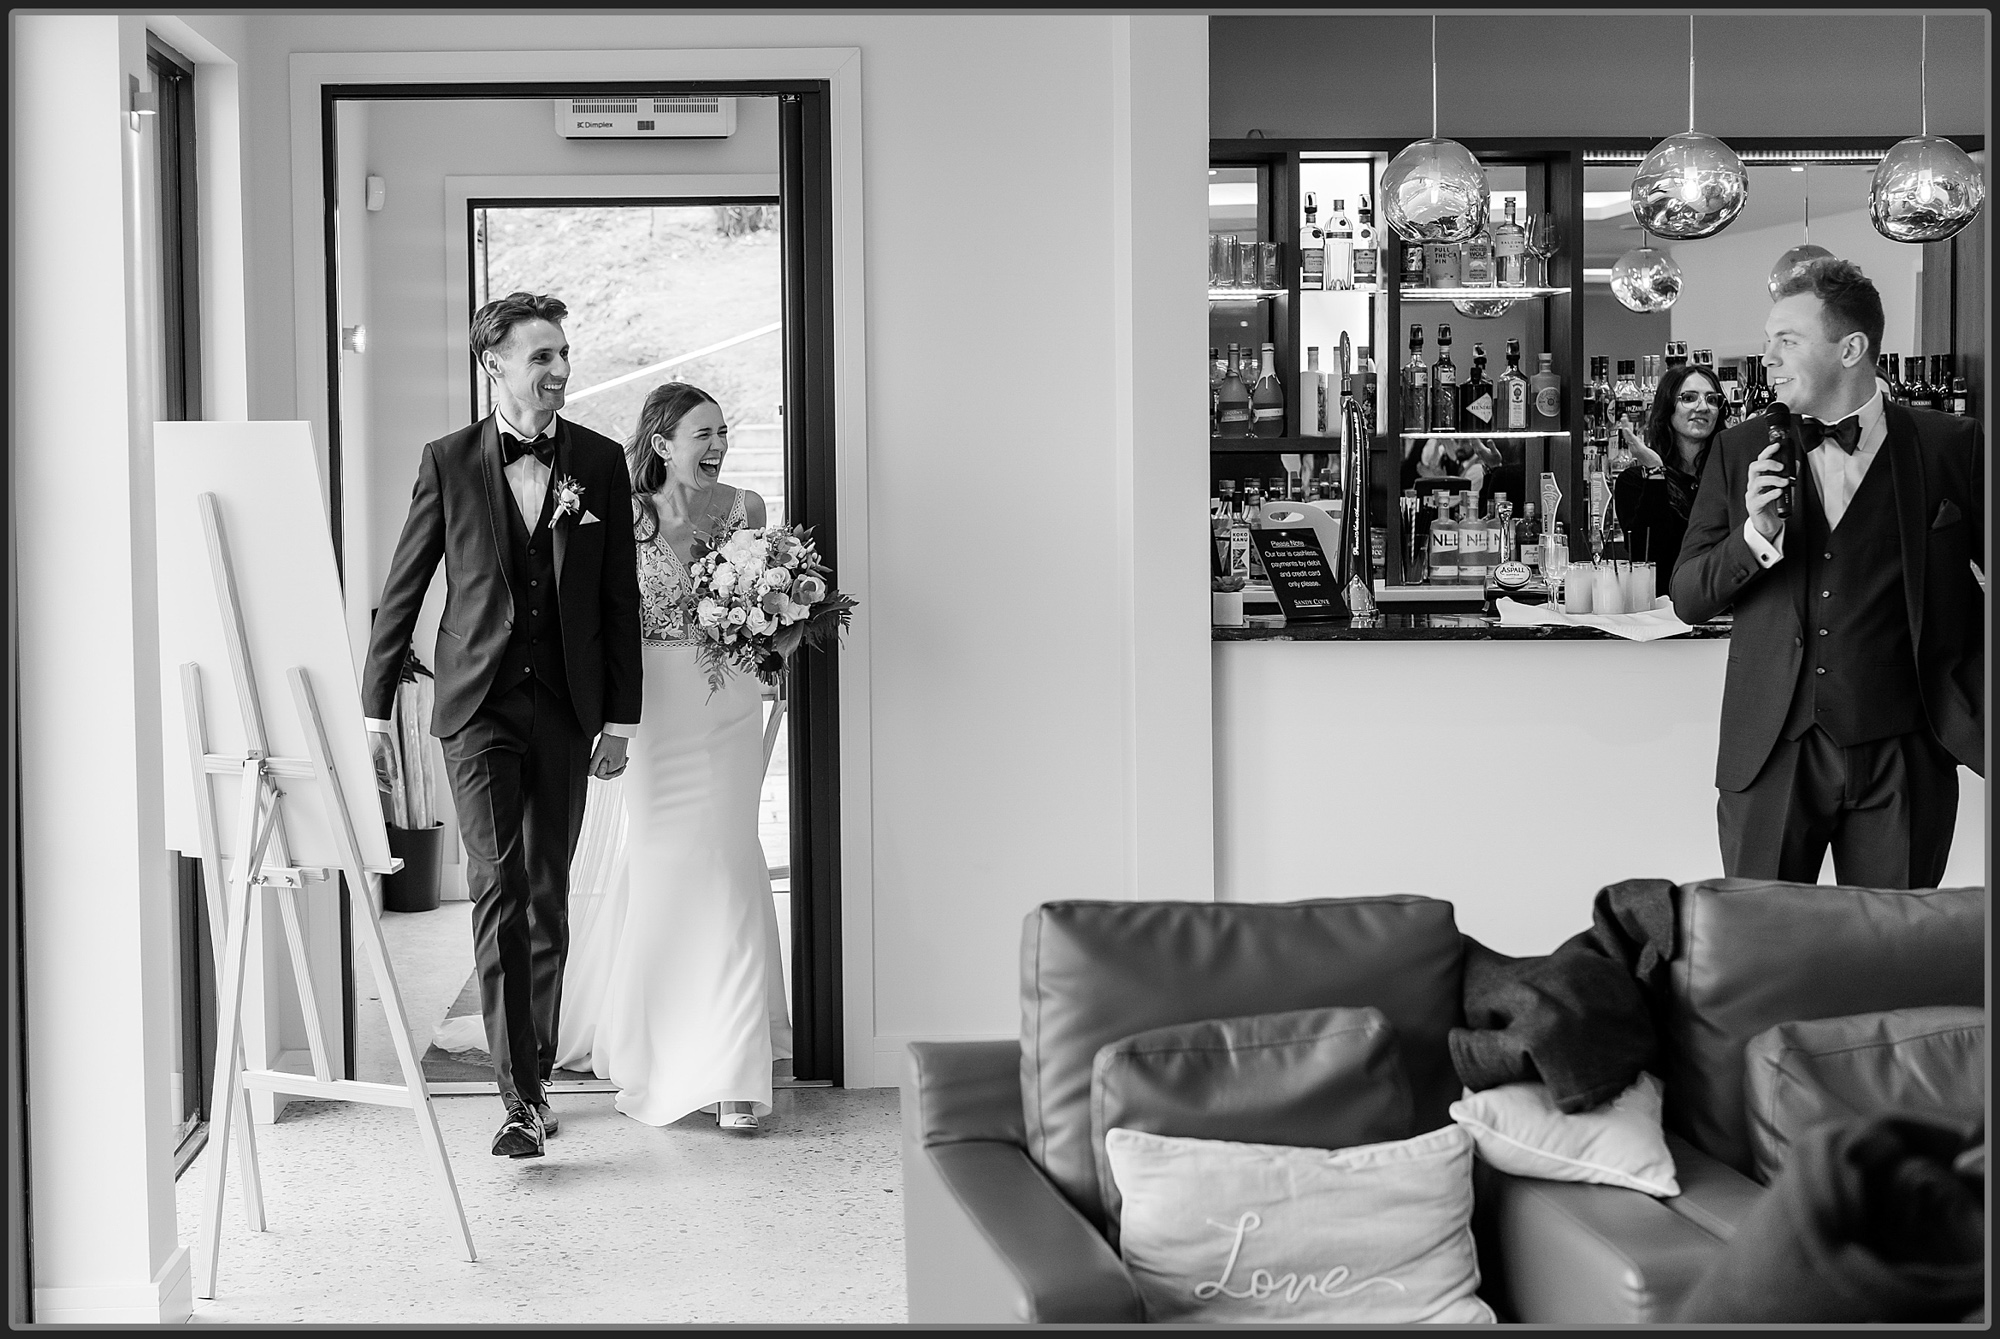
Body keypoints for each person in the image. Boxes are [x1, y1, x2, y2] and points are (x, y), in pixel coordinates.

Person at [362, 292, 642, 1160]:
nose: (558, 370)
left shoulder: (597, 462)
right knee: (497, 885)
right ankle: (517, 1099)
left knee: (548, 888)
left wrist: (621, 715)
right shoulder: (447, 461)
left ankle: (542, 1066)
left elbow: (616, 597)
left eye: (563, 353)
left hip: (566, 707)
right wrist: (374, 704)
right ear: (495, 364)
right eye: (540, 356)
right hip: (476, 705)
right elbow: (406, 583)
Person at [1671, 258, 1984, 887]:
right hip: (1774, 749)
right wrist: (1755, 535)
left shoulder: (1953, 444)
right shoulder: (1738, 450)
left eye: (1787, 341)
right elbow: (1688, 597)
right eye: (1768, 343)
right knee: (1764, 952)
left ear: (1852, 348)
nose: (1770, 358)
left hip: (1906, 748)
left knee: (1891, 958)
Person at [556, 382, 794, 1131]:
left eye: (723, 430)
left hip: (727, 706)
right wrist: (604, 718)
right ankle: (656, 1046)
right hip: (653, 711)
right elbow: (591, 612)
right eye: (704, 432)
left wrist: (778, 632)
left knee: (728, 864)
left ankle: (732, 1072)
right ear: (662, 443)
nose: (719, 444)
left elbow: (780, 606)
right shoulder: (626, 515)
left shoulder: (747, 509)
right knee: (663, 869)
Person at [1611, 363, 1729, 578]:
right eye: (1689, 398)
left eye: (1712, 400)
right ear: (1667, 407)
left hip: (1724, 607)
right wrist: (1655, 472)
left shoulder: (1728, 475)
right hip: (1662, 607)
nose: (1703, 407)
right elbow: (1645, 555)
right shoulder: (1635, 480)